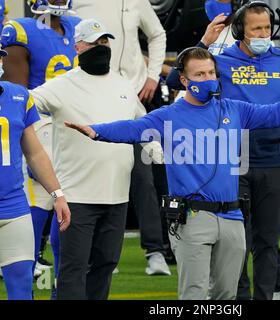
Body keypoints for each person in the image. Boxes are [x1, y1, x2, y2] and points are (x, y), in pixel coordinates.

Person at [65, 47, 280, 300]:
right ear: (184, 80)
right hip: (193, 219)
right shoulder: (168, 116)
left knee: (227, 296)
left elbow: (279, 112)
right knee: (193, 294)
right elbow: (131, 129)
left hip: (232, 218)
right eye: (199, 75)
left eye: (211, 73)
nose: (208, 79)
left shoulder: (235, 109)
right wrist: (97, 132)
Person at [168, 1, 280, 300]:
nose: (264, 33)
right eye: (256, 28)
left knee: (268, 241)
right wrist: (204, 43)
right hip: (232, 164)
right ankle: (238, 300)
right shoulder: (221, 61)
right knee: (235, 242)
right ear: (240, 31)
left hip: (275, 161)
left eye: (267, 27)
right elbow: (176, 81)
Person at [30, 18, 153, 300]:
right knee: (73, 270)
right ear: (78, 46)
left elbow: (143, 121)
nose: (101, 46)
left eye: (104, 41)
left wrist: (153, 143)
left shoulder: (122, 85)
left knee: (106, 265)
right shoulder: (60, 85)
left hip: (117, 196)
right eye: (94, 42)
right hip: (76, 197)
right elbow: (23, 104)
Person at [72, 0, 171, 276]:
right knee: (98, 172)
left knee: (143, 177)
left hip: (136, 101)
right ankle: (99, 250)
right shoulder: (77, 4)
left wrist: (153, 76)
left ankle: (155, 251)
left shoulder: (137, 2)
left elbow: (157, 33)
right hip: (93, 100)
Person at [1, 0, 80, 294]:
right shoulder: (20, 30)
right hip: (42, 123)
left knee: (21, 286)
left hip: (12, 206)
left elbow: (34, 151)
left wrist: (57, 193)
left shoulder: (17, 97)